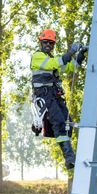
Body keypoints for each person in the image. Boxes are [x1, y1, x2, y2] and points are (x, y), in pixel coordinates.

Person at [30, 29, 87, 169]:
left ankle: (70, 155)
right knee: (60, 124)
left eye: (51, 43)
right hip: (45, 96)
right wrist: (71, 51)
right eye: (46, 42)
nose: (48, 45)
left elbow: (71, 67)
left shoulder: (52, 59)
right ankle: (69, 158)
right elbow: (55, 63)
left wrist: (80, 55)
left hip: (55, 96)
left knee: (68, 124)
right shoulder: (37, 56)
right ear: (41, 43)